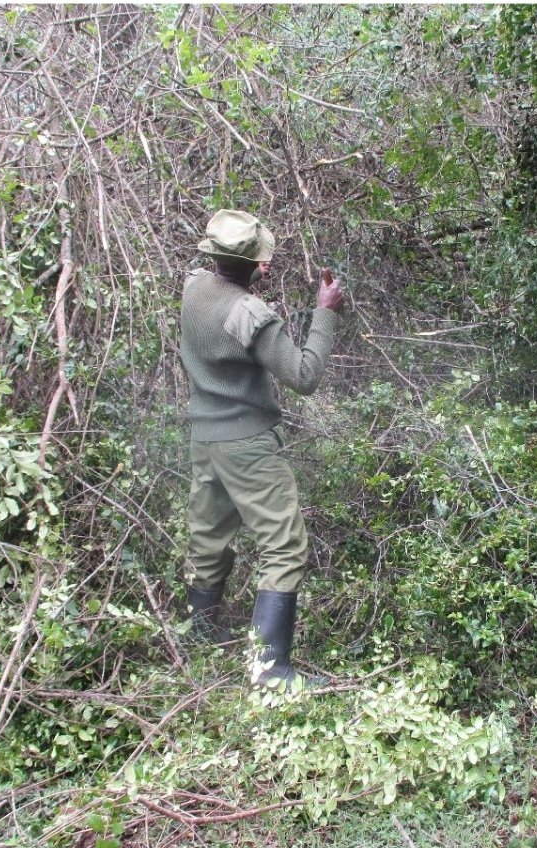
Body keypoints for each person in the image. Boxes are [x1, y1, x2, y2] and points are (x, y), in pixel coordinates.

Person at [179, 209, 345, 689]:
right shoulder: (251, 316)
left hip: (204, 440)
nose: (267, 267)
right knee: (284, 544)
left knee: (207, 538)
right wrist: (324, 312)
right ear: (256, 266)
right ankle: (271, 674)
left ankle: (199, 638)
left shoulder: (193, 288)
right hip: (247, 446)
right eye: (263, 261)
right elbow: (305, 375)